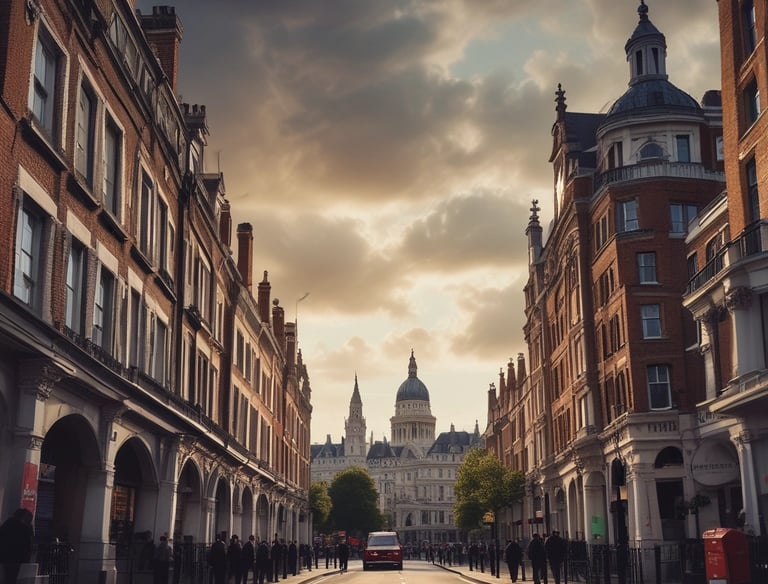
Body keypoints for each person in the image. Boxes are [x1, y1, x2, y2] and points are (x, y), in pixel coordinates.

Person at [0, 508, 34, 584]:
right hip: (17, 557)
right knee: (13, 576)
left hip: (6, 555)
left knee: (8, 576)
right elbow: (29, 543)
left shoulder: (8, 523)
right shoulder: (26, 527)